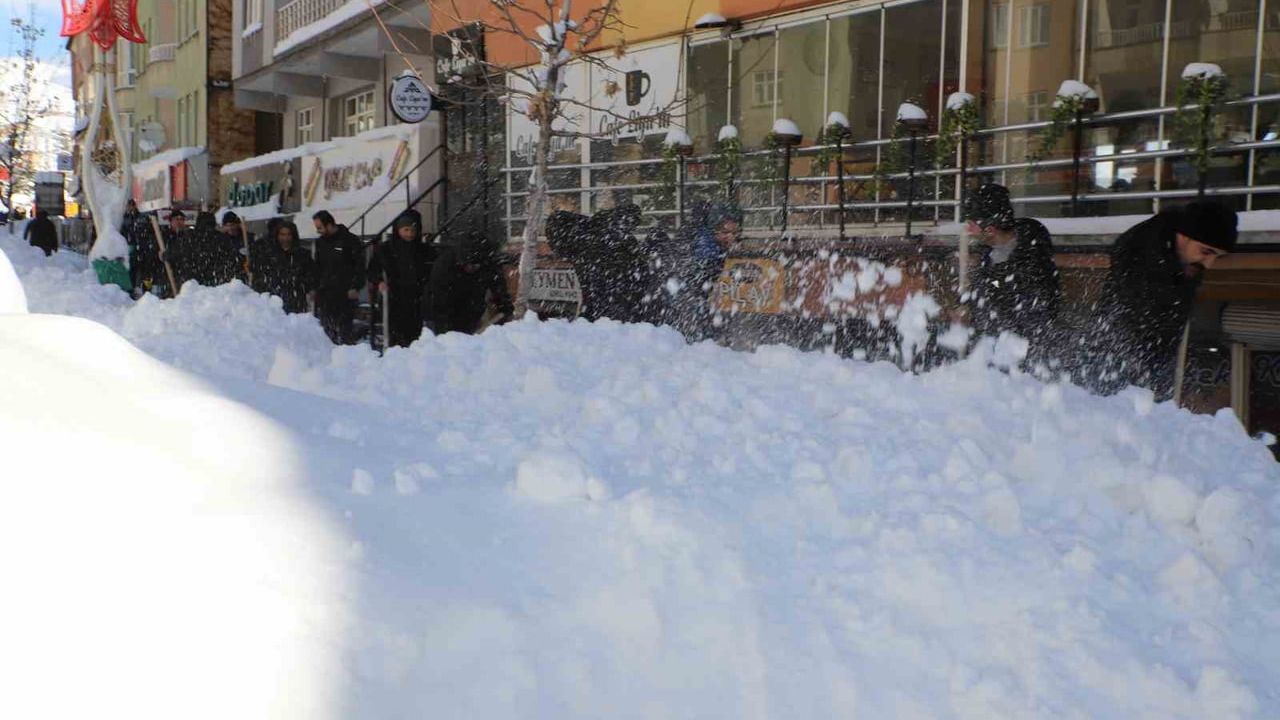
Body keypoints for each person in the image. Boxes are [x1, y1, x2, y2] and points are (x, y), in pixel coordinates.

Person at [1079, 200, 1237, 401]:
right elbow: (1131, 322)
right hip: (1111, 361)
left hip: (1153, 361)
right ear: (1183, 236)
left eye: (1218, 257)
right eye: (1206, 252)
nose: (1209, 263)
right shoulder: (1143, 257)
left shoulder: (1184, 261)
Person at [961, 184, 1062, 356]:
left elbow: (1026, 300)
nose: (968, 230)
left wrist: (987, 281)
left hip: (1027, 349)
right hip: (992, 349)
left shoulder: (1032, 253)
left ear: (990, 230)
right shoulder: (988, 253)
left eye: (971, 224)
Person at [545, 203, 649, 323]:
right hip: (613, 283)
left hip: (601, 278)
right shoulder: (609, 232)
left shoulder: (594, 232)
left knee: (594, 304)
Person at [368, 209, 431, 348]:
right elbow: (373, 270)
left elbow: (431, 271)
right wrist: (379, 282)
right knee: (395, 333)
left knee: (415, 335)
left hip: (416, 297)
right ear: (398, 230)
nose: (410, 234)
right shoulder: (386, 249)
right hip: (394, 296)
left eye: (413, 230)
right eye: (406, 230)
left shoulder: (424, 250)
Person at [426, 237, 513, 335]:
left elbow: (498, 286)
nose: (471, 268)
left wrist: (504, 306)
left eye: (474, 266)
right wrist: (444, 328)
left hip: (473, 307)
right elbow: (437, 298)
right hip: (445, 309)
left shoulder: (488, 264)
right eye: (468, 265)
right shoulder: (444, 266)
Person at [312, 210, 367, 344]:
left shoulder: (350, 240)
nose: (318, 231)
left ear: (329, 224)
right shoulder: (320, 243)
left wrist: (355, 286)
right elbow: (317, 268)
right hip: (326, 293)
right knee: (326, 332)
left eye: (320, 227)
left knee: (344, 332)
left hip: (345, 293)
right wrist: (315, 287)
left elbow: (360, 267)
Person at [260, 220, 317, 314]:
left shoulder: (303, 254)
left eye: (288, 234)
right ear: (277, 236)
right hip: (275, 301)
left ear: (293, 235)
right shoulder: (269, 255)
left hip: (297, 299)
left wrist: (310, 288)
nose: (285, 238)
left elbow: (311, 274)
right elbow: (263, 276)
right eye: (282, 234)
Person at [220, 211, 254, 285]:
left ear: (238, 225)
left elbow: (256, 256)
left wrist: (250, 262)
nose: (230, 228)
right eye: (227, 225)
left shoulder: (248, 238)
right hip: (229, 277)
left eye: (232, 225)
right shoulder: (222, 240)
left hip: (245, 276)